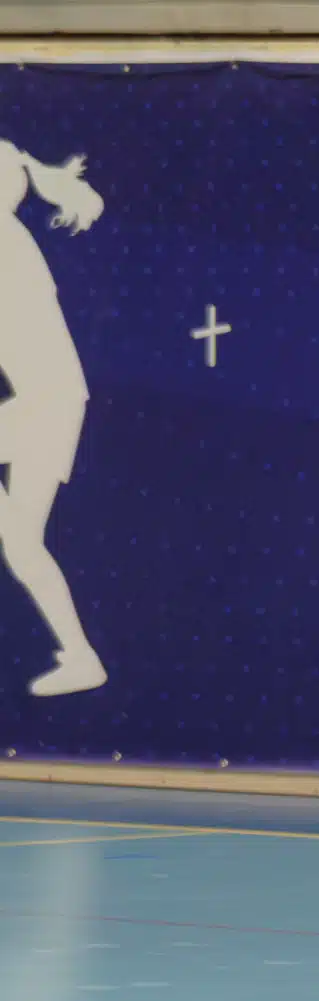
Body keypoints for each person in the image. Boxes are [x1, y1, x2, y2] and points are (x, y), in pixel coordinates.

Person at [0, 140, 107, 698]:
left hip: (49, 401)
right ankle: (83, 657)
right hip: (55, 400)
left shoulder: (7, 245)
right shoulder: (13, 240)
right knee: (21, 544)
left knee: (20, 541)